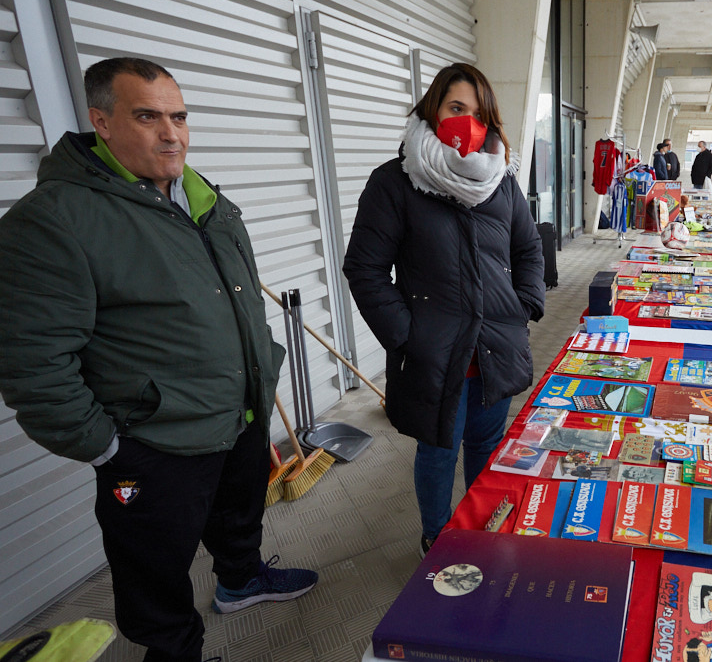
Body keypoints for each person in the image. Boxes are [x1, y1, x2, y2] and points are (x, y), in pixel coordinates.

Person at [0, 57, 317, 662]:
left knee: (239, 517)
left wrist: (263, 366)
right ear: (103, 122)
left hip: (238, 416)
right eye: (147, 116)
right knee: (155, 567)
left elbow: (239, 298)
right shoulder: (54, 220)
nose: (171, 133)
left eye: (178, 116)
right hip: (154, 442)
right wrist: (106, 446)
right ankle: (176, 653)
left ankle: (241, 580)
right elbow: (33, 364)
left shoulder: (207, 202)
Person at [342, 63, 545, 556]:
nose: (468, 123)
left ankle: (480, 531)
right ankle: (437, 538)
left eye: (479, 114)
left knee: (487, 448)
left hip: (495, 349)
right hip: (436, 358)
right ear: (433, 110)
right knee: (437, 452)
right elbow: (364, 270)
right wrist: (409, 335)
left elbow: (529, 248)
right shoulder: (394, 183)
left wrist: (524, 305)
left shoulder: (500, 181)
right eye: (456, 109)